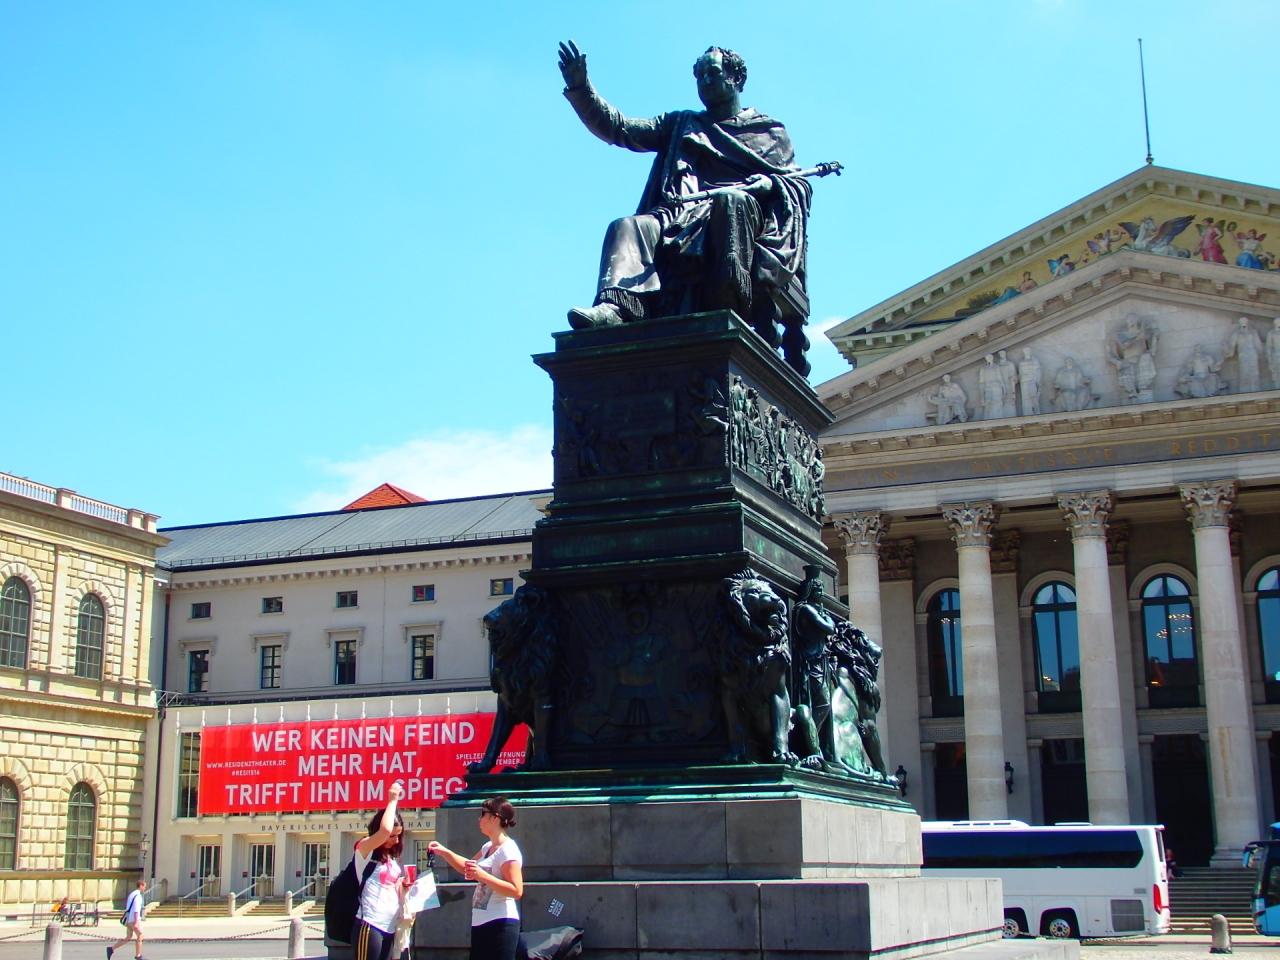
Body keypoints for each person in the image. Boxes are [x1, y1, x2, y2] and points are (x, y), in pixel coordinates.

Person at [557, 41, 810, 353]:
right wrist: (582, 89)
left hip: (739, 219)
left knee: (731, 201)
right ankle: (617, 306)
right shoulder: (681, 123)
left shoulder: (768, 132)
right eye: (699, 75)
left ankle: (728, 307)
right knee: (627, 226)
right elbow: (620, 128)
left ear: (737, 78)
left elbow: (797, 185)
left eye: (712, 73)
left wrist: (769, 184)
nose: (705, 81)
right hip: (680, 215)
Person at [429, 797, 524, 960]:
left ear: (495, 818)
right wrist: (445, 852)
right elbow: (467, 867)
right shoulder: (487, 847)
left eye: (483, 814)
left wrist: (483, 876)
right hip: (481, 922)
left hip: (501, 923)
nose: (479, 819)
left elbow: (516, 890)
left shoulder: (508, 850)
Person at [351, 782, 411, 960]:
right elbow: (384, 831)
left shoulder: (390, 858)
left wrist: (403, 885)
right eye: (393, 836)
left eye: (399, 835)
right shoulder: (365, 849)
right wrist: (392, 801)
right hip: (370, 924)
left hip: (390, 926)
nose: (396, 840)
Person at [106, 879, 147, 960]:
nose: (145, 888)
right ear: (141, 886)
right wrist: (136, 922)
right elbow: (136, 909)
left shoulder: (132, 894)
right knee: (140, 935)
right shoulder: (138, 896)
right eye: (144, 886)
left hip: (128, 919)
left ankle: (111, 949)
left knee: (128, 936)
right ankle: (138, 955)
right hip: (133, 919)